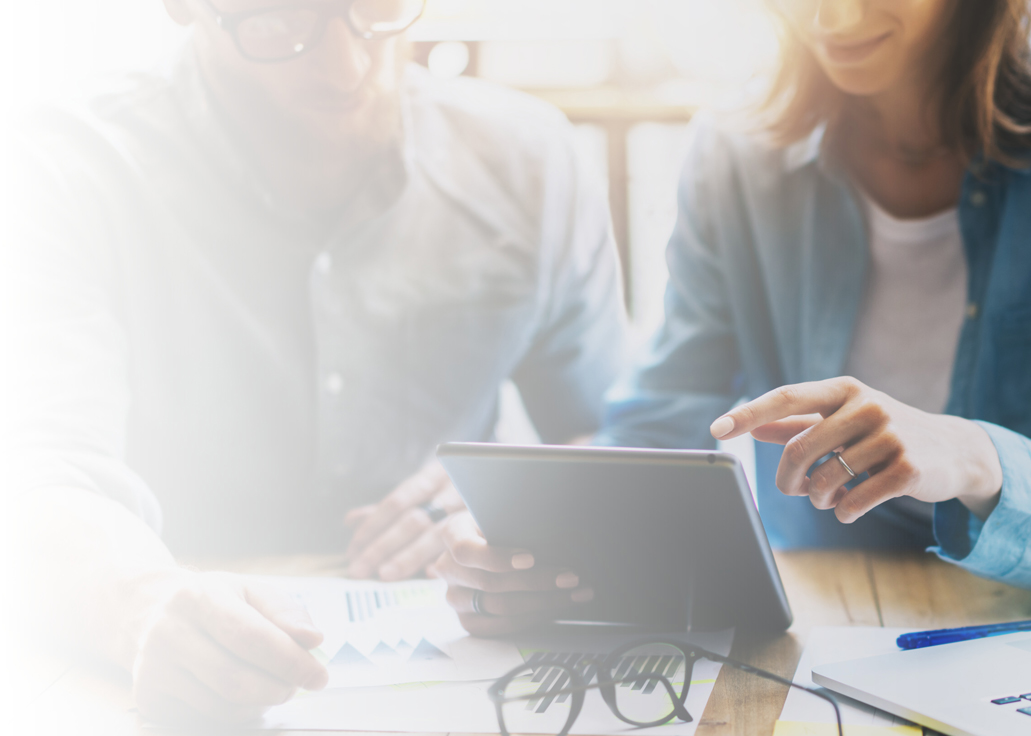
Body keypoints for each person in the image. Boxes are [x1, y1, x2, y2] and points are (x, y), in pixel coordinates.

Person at [436, 0, 1031, 632]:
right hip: (815, 623)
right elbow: (661, 425)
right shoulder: (736, 148)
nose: (832, 17)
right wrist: (535, 542)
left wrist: (968, 455)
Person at [1, 0, 623, 724]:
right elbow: (38, 471)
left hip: (470, 681)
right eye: (278, 20)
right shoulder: (65, 167)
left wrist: (517, 490)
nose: (346, 64)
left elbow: (615, 434)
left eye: (377, 6)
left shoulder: (528, 160)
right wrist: (142, 601)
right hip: (165, 679)